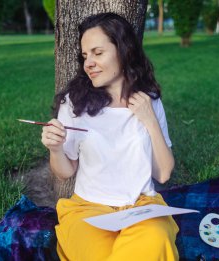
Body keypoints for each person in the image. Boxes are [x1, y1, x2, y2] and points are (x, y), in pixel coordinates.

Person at [41, 12, 179, 261]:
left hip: (142, 208)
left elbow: (163, 174)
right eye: (85, 56)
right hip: (88, 210)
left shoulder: (149, 101)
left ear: (123, 51)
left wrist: (149, 120)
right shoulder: (74, 103)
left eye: (97, 52)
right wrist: (56, 148)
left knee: (156, 238)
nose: (88, 63)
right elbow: (65, 171)